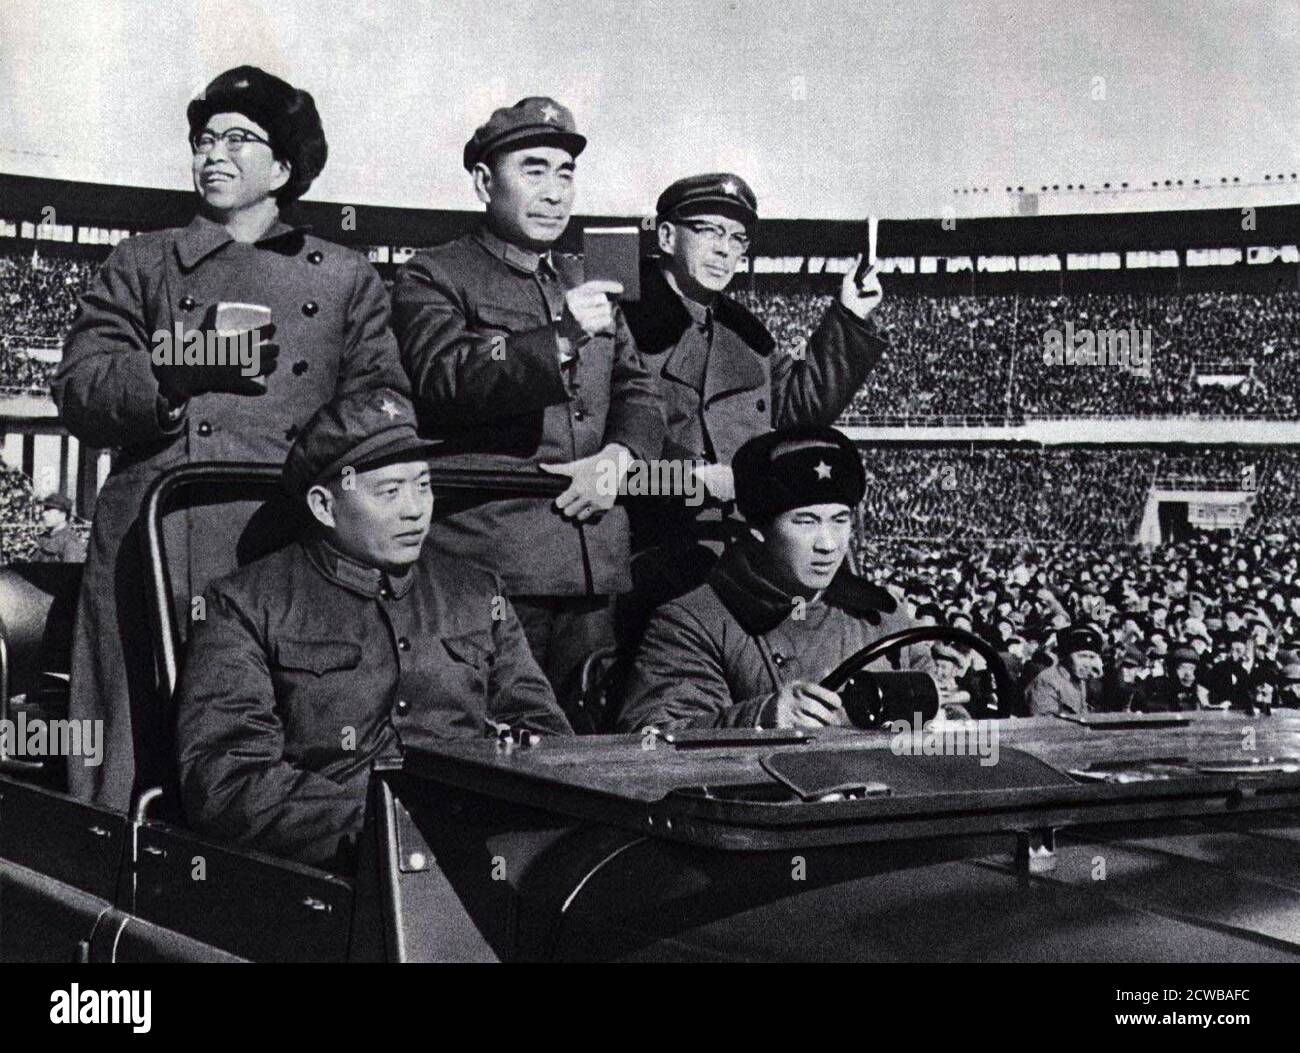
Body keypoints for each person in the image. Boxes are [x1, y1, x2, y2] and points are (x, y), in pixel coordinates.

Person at [53, 66, 408, 809]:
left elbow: (383, 407)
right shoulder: (142, 261)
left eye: (238, 139)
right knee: (127, 748)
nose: (212, 153)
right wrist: (177, 369)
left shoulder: (345, 277)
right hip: (154, 540)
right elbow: (80, 389)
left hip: (283, 546)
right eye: (204, 138)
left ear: (283, 167)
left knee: (270, 747)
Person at [176, 388, 571, 871]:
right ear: (324, 505)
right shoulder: (244, 604)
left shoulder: (476, 592)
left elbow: (546, 740)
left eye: (423, 485)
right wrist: (389, 832)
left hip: (485, 851)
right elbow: (228, 780)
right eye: (390, 492)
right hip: (339, 872)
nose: (415, 509)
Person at [390, 97, 663, 707]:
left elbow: (638, 391)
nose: (555, 191)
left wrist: (618, 459)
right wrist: (557, 339)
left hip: (594, 573)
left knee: (589, 759)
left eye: (565, 173)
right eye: (534, 169)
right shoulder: (434, 275)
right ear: (486, 182)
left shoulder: (581, 276)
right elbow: (443, 382)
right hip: (492, 568)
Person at [619, 173, 886, 618]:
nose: (726, 249)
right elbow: (605, 462)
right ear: (666, 235)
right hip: (648, 547)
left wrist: (849, 315)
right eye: (710, 231)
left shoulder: (745, 333)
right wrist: (694, 481)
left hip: (737, 552)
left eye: (739, 238)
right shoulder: (618, 317)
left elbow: (801, 406)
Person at [616, 425, 928, 732]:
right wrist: (761, 718)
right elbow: (654, 739)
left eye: (839, 520)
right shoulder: (693, 623)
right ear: (758, 530)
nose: (828, 544)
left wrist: (945, 714)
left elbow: (946, 706)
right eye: (806, 522)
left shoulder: (878, 614)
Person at [1025, 625, 1105, 716]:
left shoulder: (1080, 680)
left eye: (1091, 657)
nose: (1086, 663)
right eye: (1082, 656)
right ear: (1065, 656)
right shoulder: (1046, 682)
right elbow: (1046, 725)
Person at [1135, 647, 1203, 712]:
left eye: (1192, 668)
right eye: (1182, 668)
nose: (1188, 674)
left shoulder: (1200, 693)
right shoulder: (1156, 687)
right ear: (1171, 670)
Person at [32, 493, 86, 563]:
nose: (43, 514)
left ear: (63, 515)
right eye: (44, 511)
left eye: (49, 511)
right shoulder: (43, 538)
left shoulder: (71, 542)